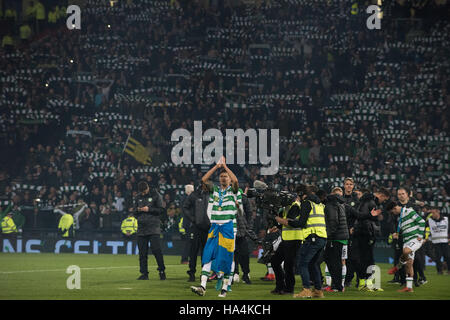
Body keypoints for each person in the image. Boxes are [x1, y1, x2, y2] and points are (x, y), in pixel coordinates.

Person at [190, 156, 240, 298]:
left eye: (226, 176)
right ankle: (202, 286)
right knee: (207, 256)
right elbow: (204, 180)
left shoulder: (233, 191)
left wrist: (225, 167)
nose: (224, 178)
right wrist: (217, 167)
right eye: (222, 176)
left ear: (229, 179)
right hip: (214, 228)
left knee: (226, 258)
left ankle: (224, 288)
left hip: (227, 228)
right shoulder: (214, 190)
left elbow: (236, 181)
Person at [351, 187, 389, 291]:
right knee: (367, 258)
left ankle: (365, 282)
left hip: (363, 233)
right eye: (384, 199)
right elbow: (363, 217)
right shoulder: (371, 202)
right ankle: (367, 283)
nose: (383, 202)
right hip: (365, 233)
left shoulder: (367, 201)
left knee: (365, 258)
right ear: (381, 195)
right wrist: (374, 220)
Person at [269, 185, 303, 295]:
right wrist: (277, 226)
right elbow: (283, 222)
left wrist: (275, 218)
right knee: (275, 261)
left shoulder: (295, 206)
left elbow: (289, 222)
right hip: (287, 239)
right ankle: (280, 286)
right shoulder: (288, 207)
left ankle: (289, 288)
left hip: (295, 239)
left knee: (289, 264)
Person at [386, 201, 426, 292]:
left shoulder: (409, 211)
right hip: (406, 241)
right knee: (409, 264)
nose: (393, 214)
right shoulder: (400, 217)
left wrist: (420, 235)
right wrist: (397, 234)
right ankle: (409, 287)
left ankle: (397, 267)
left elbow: (422, 221)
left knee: (406, 252)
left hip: (415, 239)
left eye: (392, 212)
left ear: (395, 208)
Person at [134, 181, 166, 281]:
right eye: (141, 192)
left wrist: (149, 209)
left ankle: (161, 271)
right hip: (141, 228)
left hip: (153, 227)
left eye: (144, 192)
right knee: (142, 253)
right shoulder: (137, 197)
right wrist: (138, 210)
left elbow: (161, 210)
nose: (143, 194)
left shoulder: (156, 195)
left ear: (147, 188)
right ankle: (144, 273)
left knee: (156, 250)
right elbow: (134, 211)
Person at [323, 187, 349, 293]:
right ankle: (336, 285)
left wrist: (329, 236)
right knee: (335, 261)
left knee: (337, 262)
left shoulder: (332, 205)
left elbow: (333, 222)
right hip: (341, 237)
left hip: (336, 238)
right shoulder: (341, 205)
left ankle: (337, 286)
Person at [183, 182, 211, 282]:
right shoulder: (194, 195)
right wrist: (192, 219)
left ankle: (205, 274)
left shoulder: (211, 195)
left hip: (208, 227)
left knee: (206, 252)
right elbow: (185, 207)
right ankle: (192, 273)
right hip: (196, 227)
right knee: (193, 251)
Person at [233, 187, 258, 285]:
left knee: (244, 254)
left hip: (242, 231)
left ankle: (246, 274)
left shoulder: (243, 198)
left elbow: (249, 213)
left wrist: (248, 227)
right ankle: (234, 273)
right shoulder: (227, 195)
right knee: (232, 254)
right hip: (230, 230)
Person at [427, 207, 449, 275]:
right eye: (431, 213)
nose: (432, 214)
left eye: (433, 213)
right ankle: (439, 271)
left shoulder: (446, 219)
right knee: (438, 257)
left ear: (438, 212)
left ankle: (449, 270)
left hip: (445, 242)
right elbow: (426, 229)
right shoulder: (429, 220)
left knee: (448, 256)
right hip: (435, 243)